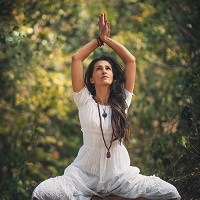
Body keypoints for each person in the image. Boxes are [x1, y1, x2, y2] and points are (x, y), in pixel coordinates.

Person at [32, 12, 181, 200]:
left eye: (108, 68)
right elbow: (76, 59)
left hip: (120, 176)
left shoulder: (122, 100)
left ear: (113, 76)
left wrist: (107, 39)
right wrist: (98, 41)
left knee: (169, 193)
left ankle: (107, 197)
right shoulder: (84, 99)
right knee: (43, 193)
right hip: (84, 175)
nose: (104, 71)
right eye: (99, 68)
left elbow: (131, 60)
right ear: (92, 79)